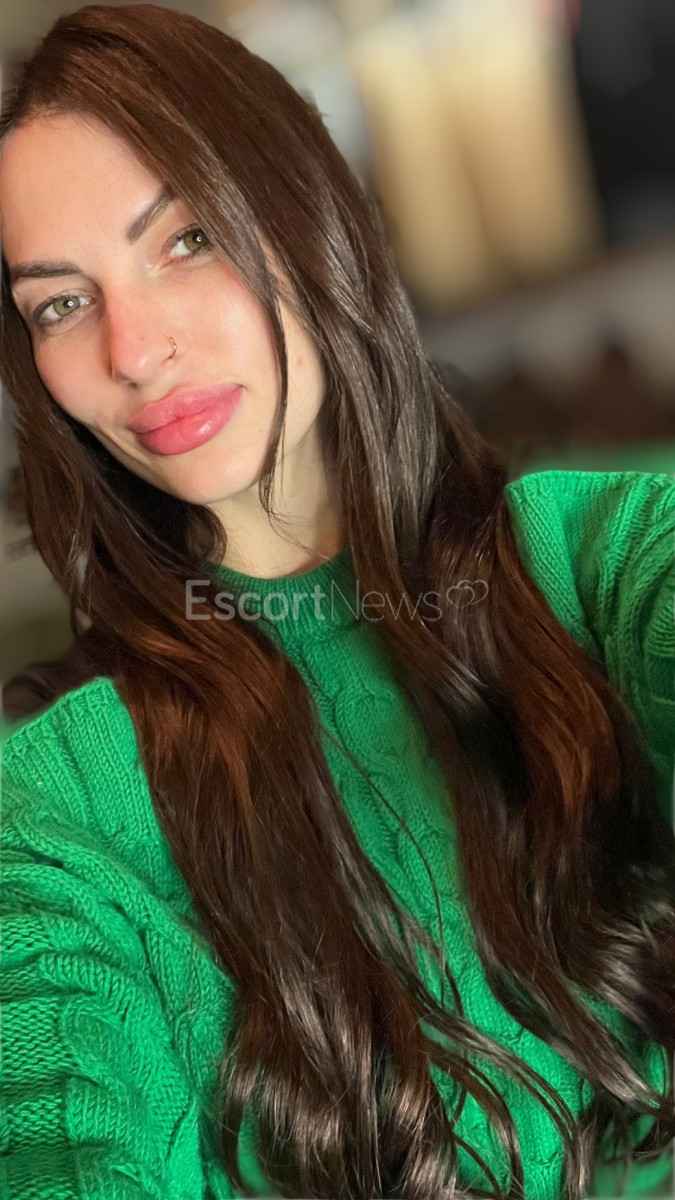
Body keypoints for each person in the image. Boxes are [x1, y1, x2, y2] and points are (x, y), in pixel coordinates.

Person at [0, 6, 673, 1199]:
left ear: (308, 213)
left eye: (187, 239)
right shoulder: (62, 800)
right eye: (61, 303)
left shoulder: (592, 561)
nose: (134, 350)